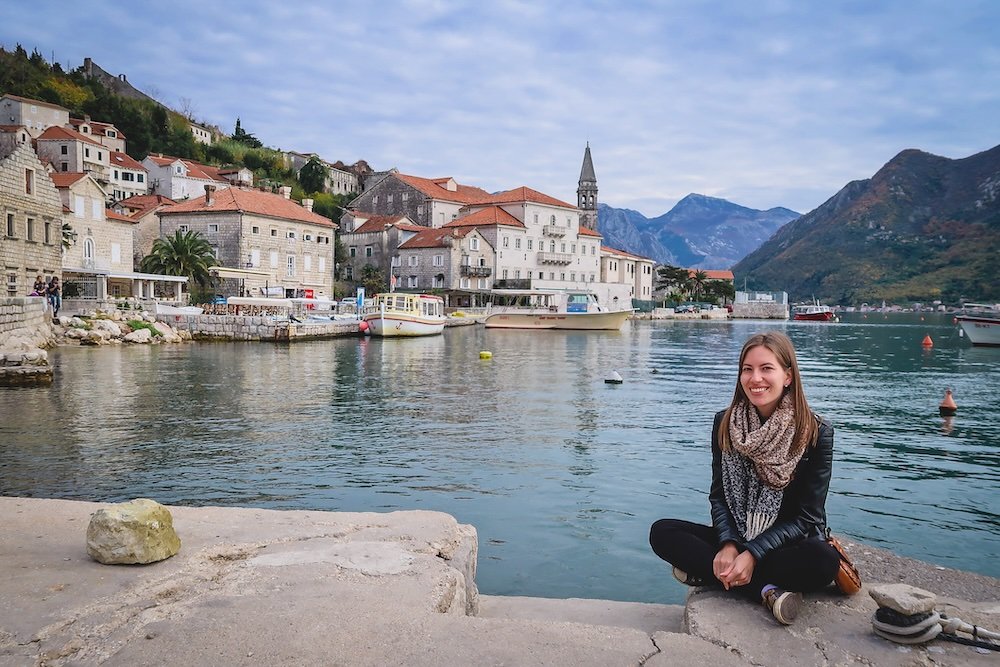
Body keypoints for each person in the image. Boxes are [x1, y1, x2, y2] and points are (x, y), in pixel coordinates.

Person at [649, 331, 840, 625]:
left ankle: (714, 573)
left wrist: (751, 553)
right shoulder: (725, 423)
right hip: (737, 536)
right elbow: (719, 496)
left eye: (767, 369)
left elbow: (806, 518)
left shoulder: (815, 433)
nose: (755, 379)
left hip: (786, 546)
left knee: (824, 560)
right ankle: (765, 590)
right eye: (747, 369)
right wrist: (728, 545)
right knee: (662, 532)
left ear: (787, 376)